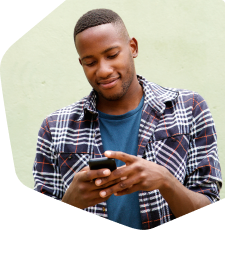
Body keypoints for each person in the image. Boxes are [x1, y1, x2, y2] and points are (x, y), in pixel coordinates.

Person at [33, 8, 222, 230]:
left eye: (112, 55)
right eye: (90, 62)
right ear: (81, 63)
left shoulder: (189, 108)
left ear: (133, 48)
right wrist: (70, 203)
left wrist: (166, 181)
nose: (103, 70)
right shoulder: (54, 128)